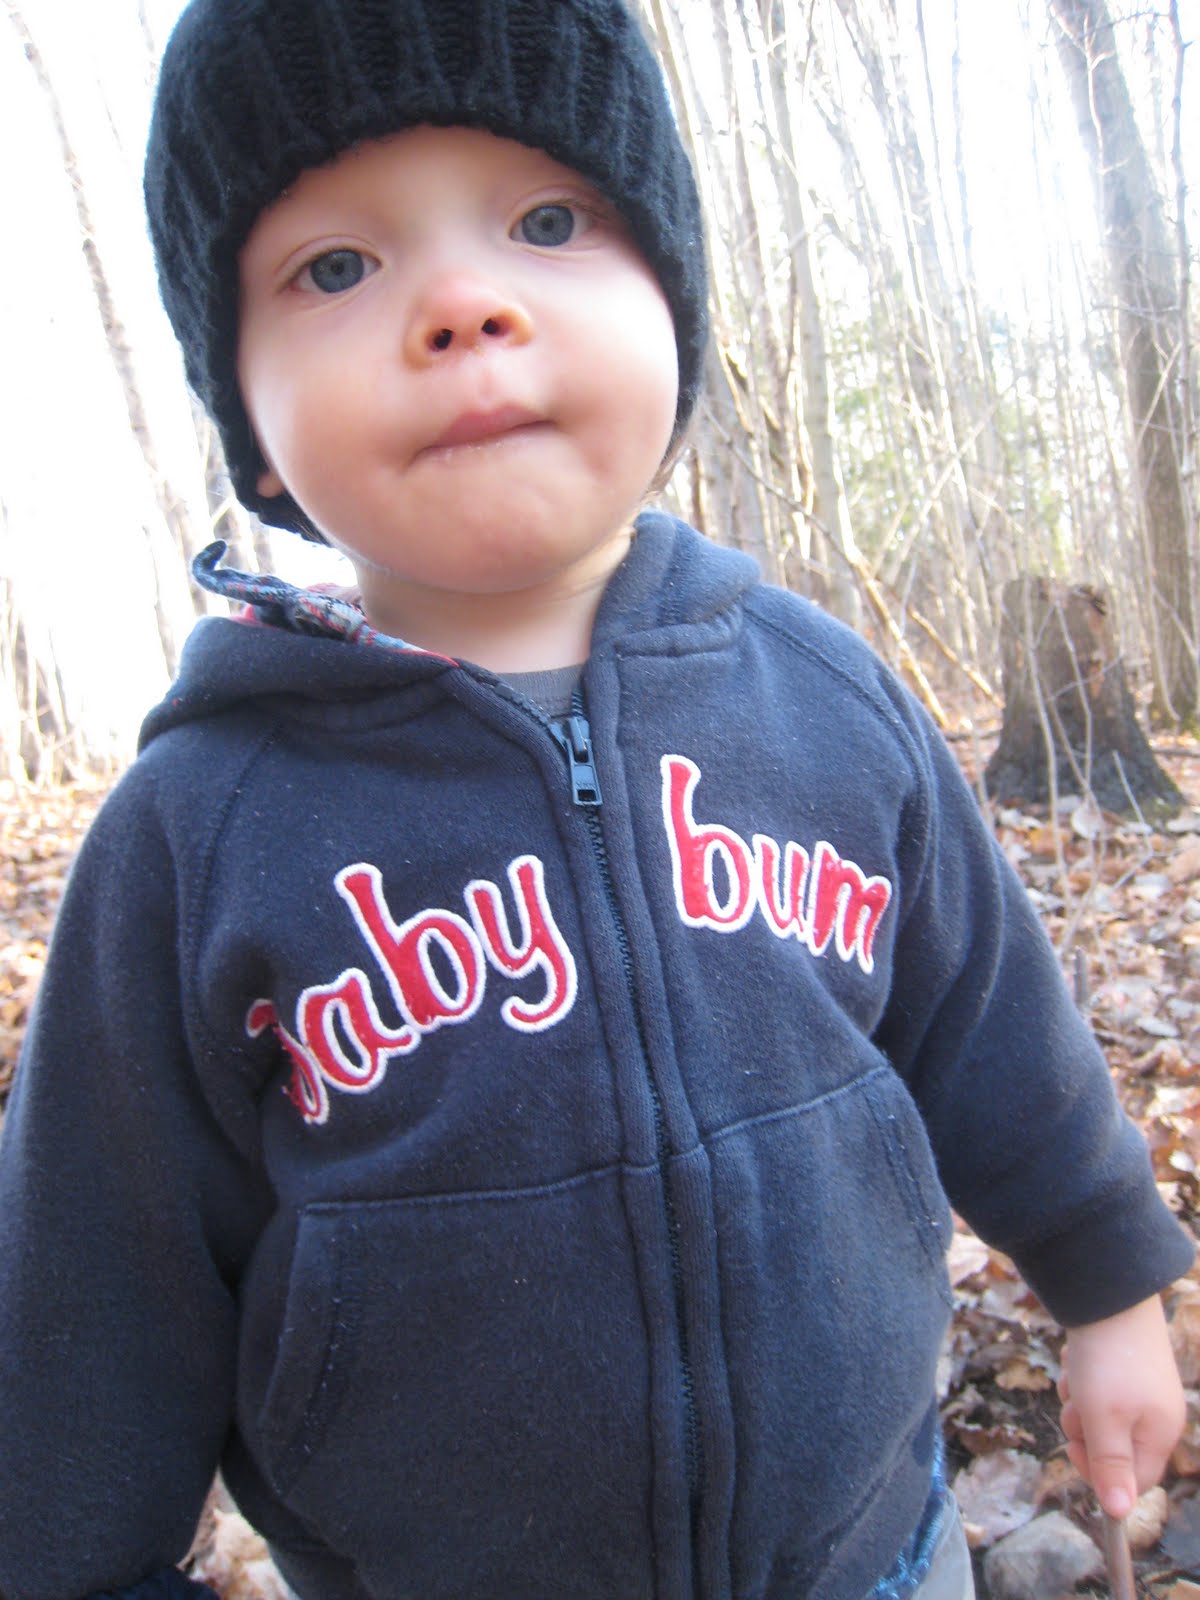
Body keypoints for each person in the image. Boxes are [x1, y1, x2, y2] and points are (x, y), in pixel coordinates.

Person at [0, 1, 1192, 1597]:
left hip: (876, 1557)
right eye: (335, 267)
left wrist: (1111, 1287)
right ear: (254, 429)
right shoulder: (197, 833)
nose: (463, 305)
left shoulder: (823, 697)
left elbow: (995, 1030)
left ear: (674, 304)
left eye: (550, 223)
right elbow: (92, 1286)